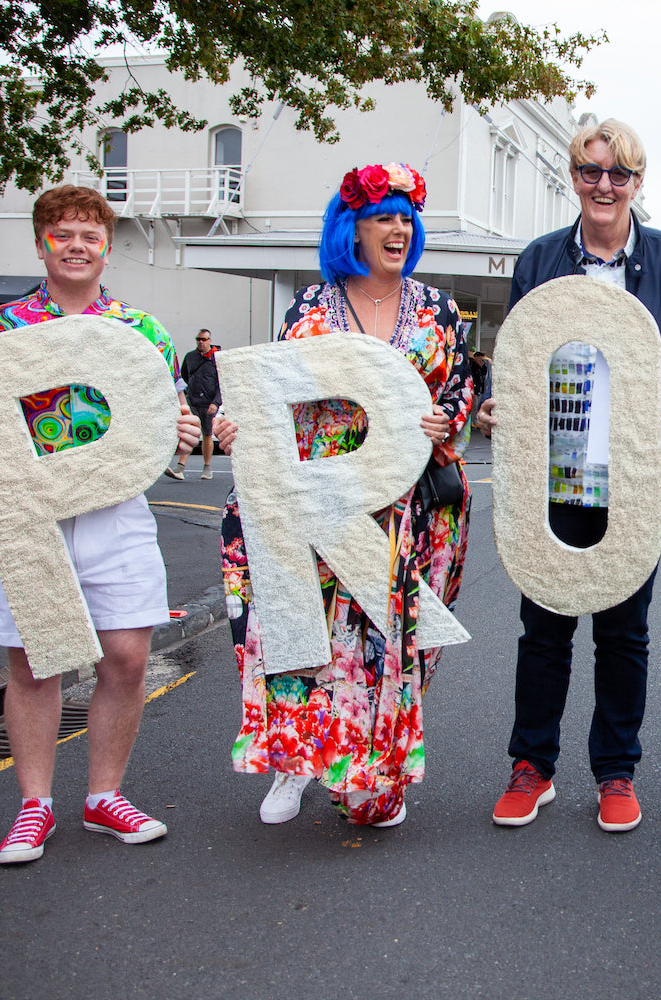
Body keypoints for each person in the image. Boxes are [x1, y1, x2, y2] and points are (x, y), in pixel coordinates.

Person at [0, 185, 202, 865]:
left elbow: (165, 418)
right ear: (42, 243)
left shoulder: (141, 331)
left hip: (116, 512)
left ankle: (103, 796)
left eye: (90, 235)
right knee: (33, 661)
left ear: (107, 248)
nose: (78, 246)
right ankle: (34, 805)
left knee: (128, 656)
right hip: (28, 514)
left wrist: (184, 436)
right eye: (64, 235)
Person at [214, 162, 474, 827]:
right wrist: (235, 427)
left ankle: (371, 767)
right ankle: (294, 763)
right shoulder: (309, 305)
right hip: (317, 495)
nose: (397, 228)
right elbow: (272, 396)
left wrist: (446, 422)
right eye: (382, 215)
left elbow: (458, 394)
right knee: (305, 631)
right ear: (350, 227)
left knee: (385, 641)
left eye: (405, 218)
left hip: (403, 503)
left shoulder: (438, 307)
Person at [475, 118, 661, 832]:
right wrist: (502, 408)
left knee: (623, 630)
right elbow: (518, 358)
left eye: (618, 174)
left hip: (638, 477)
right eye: (589, 171)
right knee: (542, 623)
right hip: (558, 471)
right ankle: (532, 766)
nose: (603, 186)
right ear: (574, 176)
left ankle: (615, 771)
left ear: (637, 183)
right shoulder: (540, 260)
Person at [166, 329, 222, 480]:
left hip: (209, 403)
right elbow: (182, 377)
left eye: (204, 339)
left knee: (207, 434)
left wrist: (216, 402)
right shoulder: (190, 357)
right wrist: (183, 397)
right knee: (189, 432)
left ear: (210, 340)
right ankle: (180, 467)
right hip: (192, 401)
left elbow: (222, 384)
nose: (201, 342)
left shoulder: (216, 358)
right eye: (198, 339)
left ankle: (207, 467)